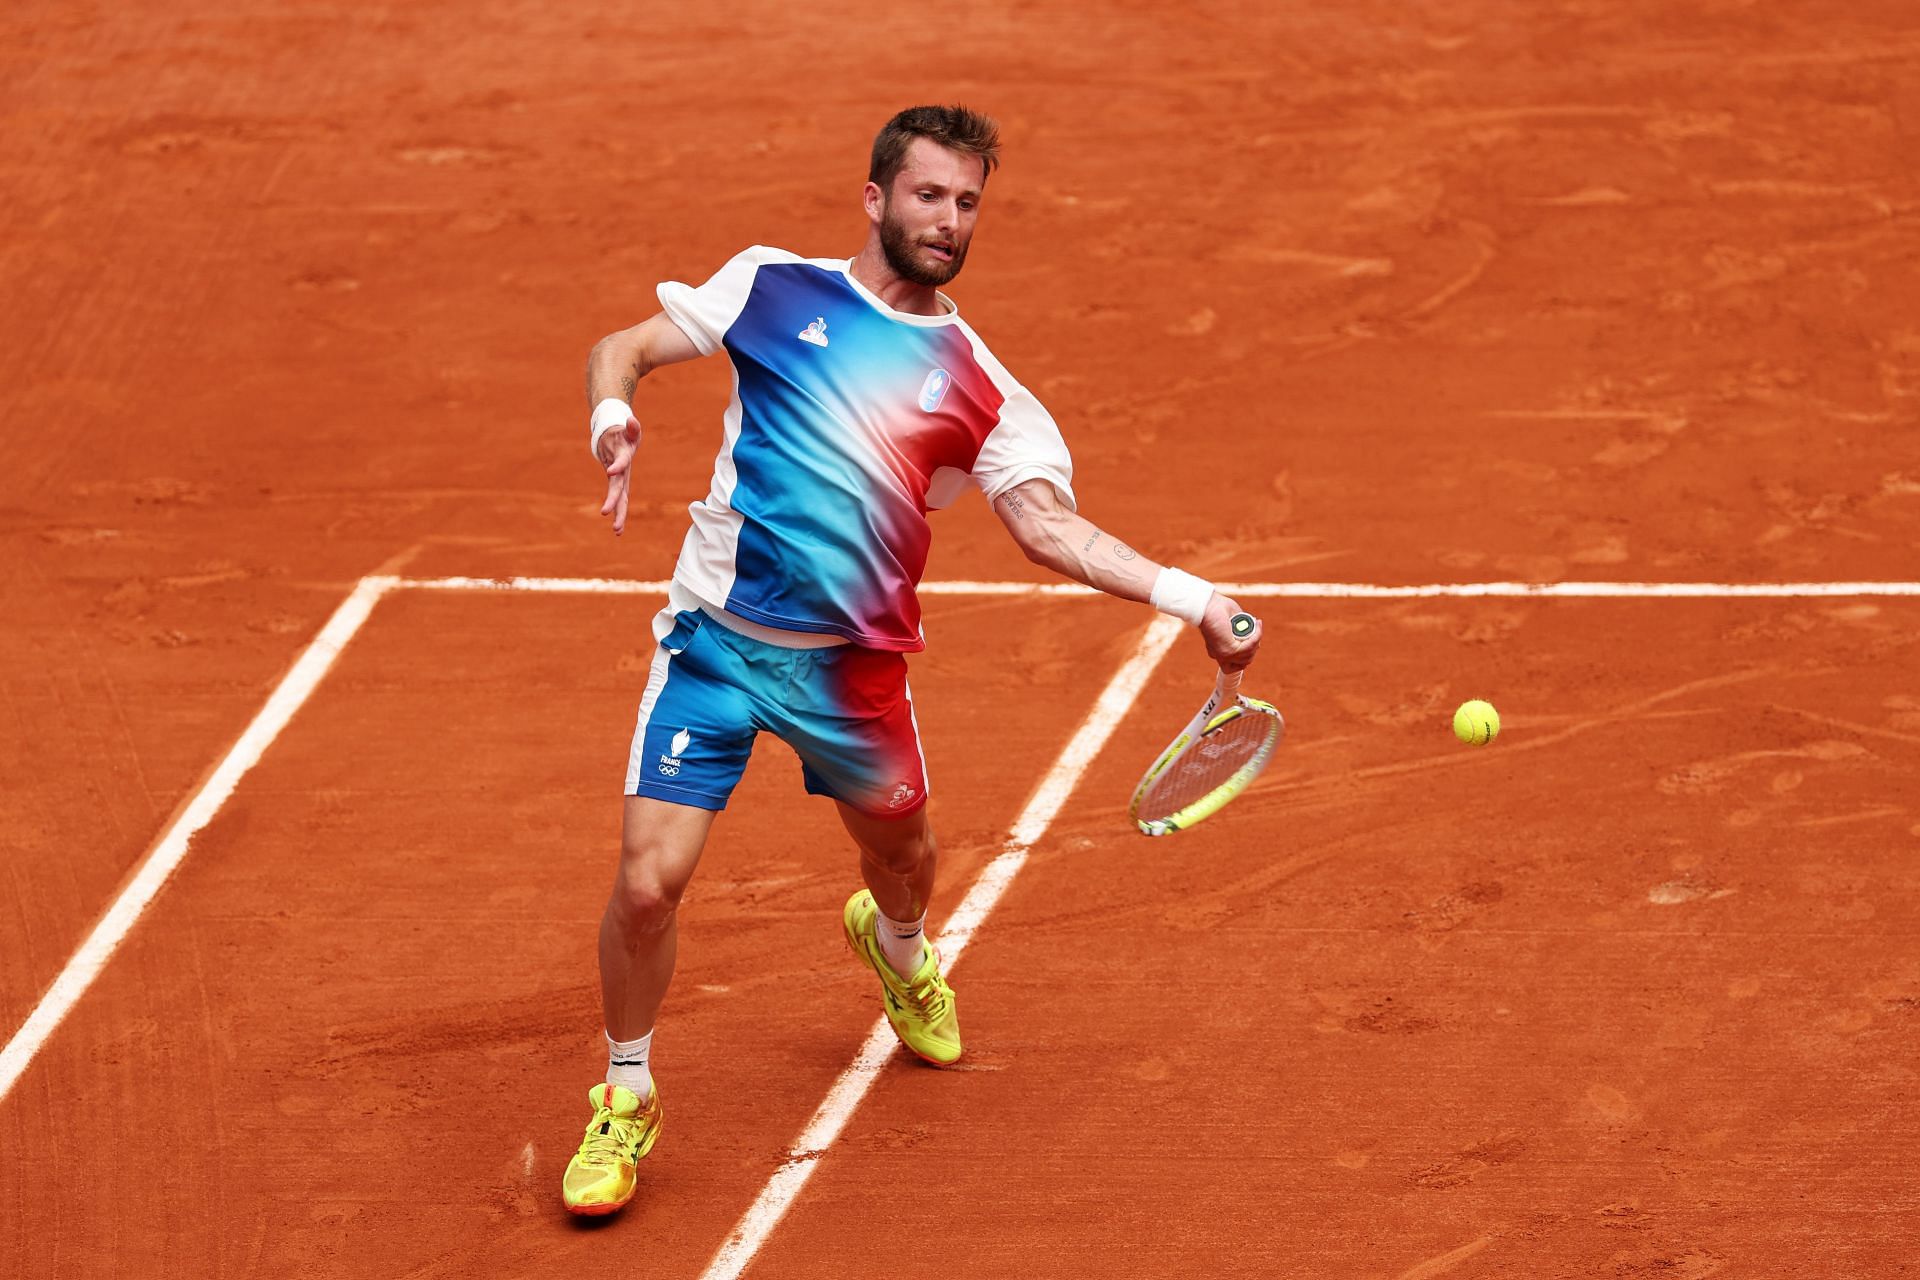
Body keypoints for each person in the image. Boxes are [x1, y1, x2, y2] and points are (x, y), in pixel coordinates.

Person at [561, 104, 1262, 1216]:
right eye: (929, 195)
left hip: (853, 673)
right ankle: (627, 1088)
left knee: (908, 859)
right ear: (877, 196)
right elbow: (626, 348)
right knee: (648, 881)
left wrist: (1191, 595)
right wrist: (613, 416)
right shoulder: (771, 286)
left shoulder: (982, 383)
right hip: (714, 645)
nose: (949, 220)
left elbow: (1049, 527)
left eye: (969, 202)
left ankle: (897, 946)